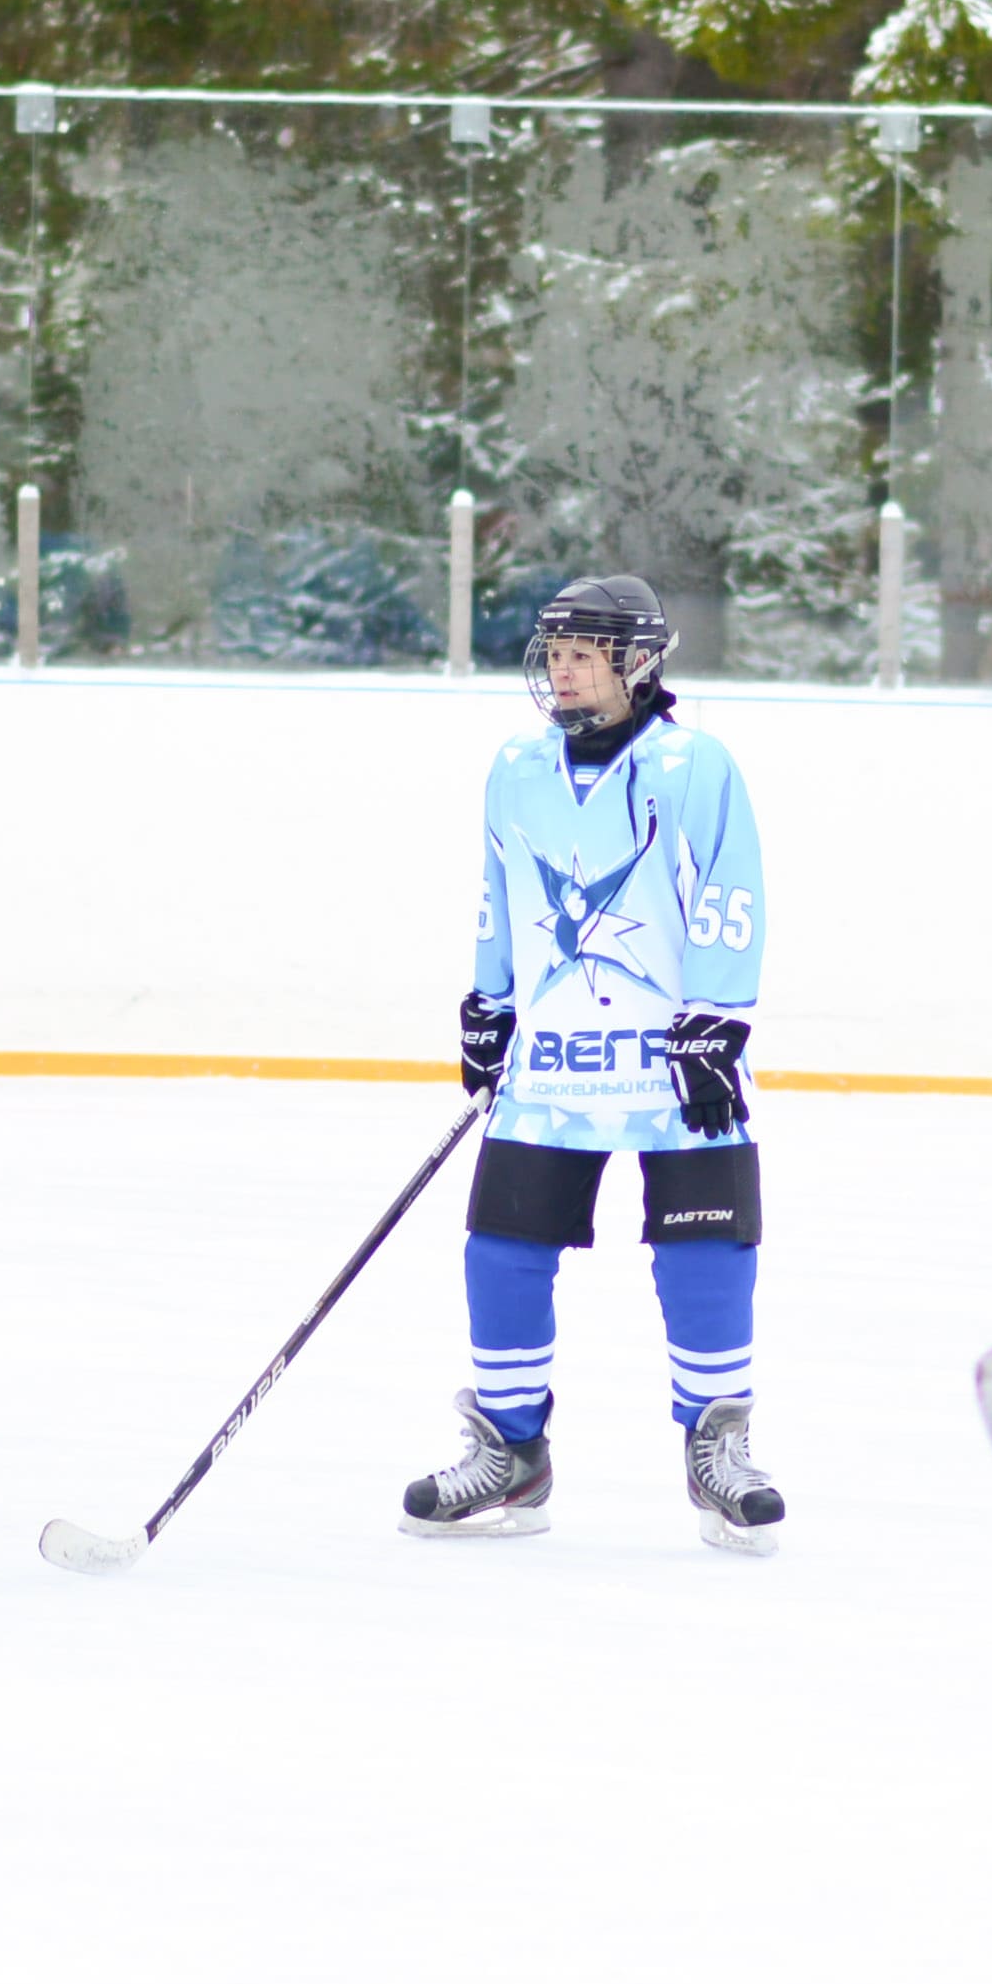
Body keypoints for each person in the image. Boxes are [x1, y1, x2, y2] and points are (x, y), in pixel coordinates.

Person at [409, 570, 780, 1553]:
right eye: (556, 654)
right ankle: (510, 1447)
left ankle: (717, 1448)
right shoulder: (516, 767)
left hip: (672, 1058)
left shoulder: (695, 764)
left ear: (639, 661)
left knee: (704, 1241)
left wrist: (716, 1017)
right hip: (555, 1053)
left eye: (583, 655)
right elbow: (497, 888)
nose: (561, 672)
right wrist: (487, 1001)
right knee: (501, 1243)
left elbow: (729, 892)